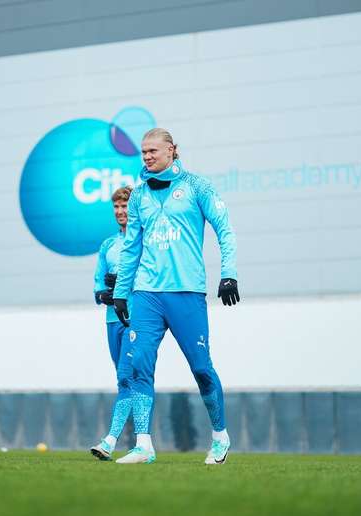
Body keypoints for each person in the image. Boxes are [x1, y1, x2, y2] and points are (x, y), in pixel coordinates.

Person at [112, 128, 239, 465]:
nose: (147, 157)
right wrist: (121, 293)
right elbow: (131, 248)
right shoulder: (138, 195)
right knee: (139, 365)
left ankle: (219, 437)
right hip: (147, 293)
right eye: (143, 153)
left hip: (187, 292)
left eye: (153, 151)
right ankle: (143, 445)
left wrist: (229, 274)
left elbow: (225, 230)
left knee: (201, 368)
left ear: (172, 150)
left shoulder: (198, 186)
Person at [89, 186, 135, 461]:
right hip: (111, 320)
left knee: (126, 378)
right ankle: (143, 440)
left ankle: (109, 440)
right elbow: (98, 282)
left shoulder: (141, 240)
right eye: (116, 207)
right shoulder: (108, 245)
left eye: (125, 206)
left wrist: (121, 285)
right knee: (125, 382)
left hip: (135, 318)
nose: (120, 212)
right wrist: (103, 294)